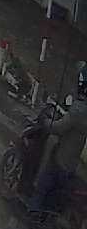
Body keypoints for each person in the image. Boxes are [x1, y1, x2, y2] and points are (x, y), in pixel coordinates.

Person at [32, 74, 87, 220]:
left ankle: (33, 212)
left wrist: (46, 122)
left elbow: (58, 128)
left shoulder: (79, 110)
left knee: (42, 184)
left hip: (62, 157)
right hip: (73, 162)